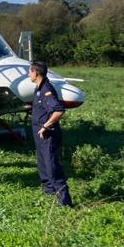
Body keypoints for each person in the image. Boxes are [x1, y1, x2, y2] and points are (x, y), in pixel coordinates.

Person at [28, 61, 72, 206]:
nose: (28, 74)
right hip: (39, 134)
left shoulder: (47, 89)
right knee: (43, 165)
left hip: (47, 134)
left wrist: (45, 126)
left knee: (52, 166)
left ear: (35, 73)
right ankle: (49, 193)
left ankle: (64, 201)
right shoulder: (38, 88)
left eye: (29, 71)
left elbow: (59, 110)